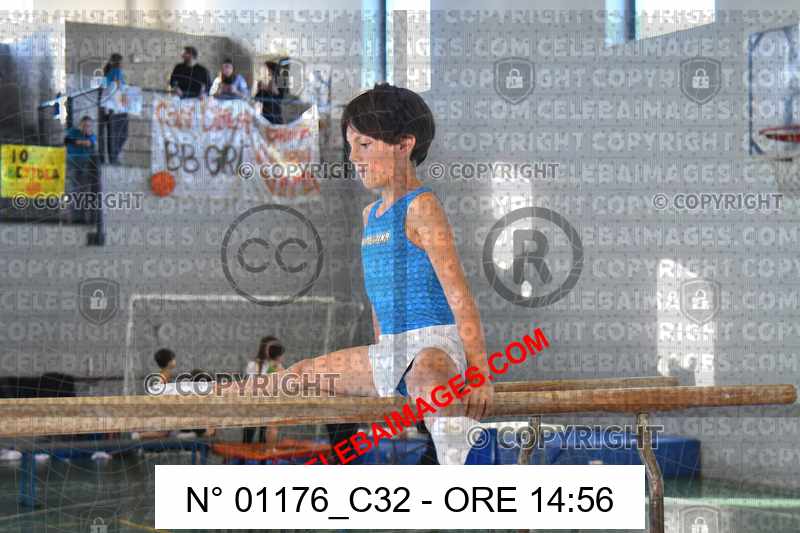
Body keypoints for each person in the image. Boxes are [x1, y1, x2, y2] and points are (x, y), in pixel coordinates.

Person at [220, 83, 494, 465]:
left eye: (364, 145)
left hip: (435, 347)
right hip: (391, 350)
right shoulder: (370, 216)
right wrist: (383, 362)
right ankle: (215, 399)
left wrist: (479, 371)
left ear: (404, 144)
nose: (354, 158)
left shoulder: (422, 207)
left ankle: (452, 472)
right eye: (351, 147)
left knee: (428, 378)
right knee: (302, 374)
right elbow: (377, 300)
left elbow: (459, 294)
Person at [242, 336, 285, 444]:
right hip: (253, 406)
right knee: (248, 438)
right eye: (269, 348)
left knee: (264, 438)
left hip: (268, 406)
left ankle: (265, 454)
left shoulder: (277, 366)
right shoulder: (254, 365)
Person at [63, 116, 98, 223]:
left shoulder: (92, 136)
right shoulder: (73, 132)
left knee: (83, 191)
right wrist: (79, 141)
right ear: (80, 125)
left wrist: (77, 142)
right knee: (73, 190)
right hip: (72, 164)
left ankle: (82, 217)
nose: (86, 128)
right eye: (84, 125)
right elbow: (66, 140)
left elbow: (90, 143)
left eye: (88, 126)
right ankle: (73, 217)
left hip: (85, 166)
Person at [98, 53, 129, 165]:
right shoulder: (116, 72)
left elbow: (102, 87)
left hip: (105, 106)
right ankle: (113, 158)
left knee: (106, 134)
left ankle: (104, 158)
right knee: (118, 133)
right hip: (114, 107)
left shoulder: (107, 72)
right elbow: (118, 88)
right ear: (119, 62)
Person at [253, 59, 286, 124]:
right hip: (266, 113)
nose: (262, 70)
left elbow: (280, 96)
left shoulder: (280, 80)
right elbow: (257, 98)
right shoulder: (264, 81)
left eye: (265, 68)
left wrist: (266, 87)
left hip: (275, 113)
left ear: (270, 70)